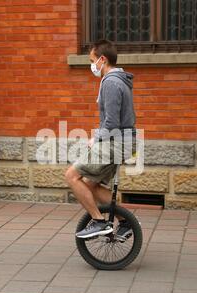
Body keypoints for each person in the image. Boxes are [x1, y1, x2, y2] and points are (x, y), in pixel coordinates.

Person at [65, 39, 136, 239]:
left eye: (92, 60)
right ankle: (126, 222)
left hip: (115, 142)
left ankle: (98, 221)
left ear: (102, 60)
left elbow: (111, 121)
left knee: (71, 176)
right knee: (89, 184)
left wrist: (96, 138)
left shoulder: (111, 82)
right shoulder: (119, 79)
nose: (92, 66)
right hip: (121, 142)